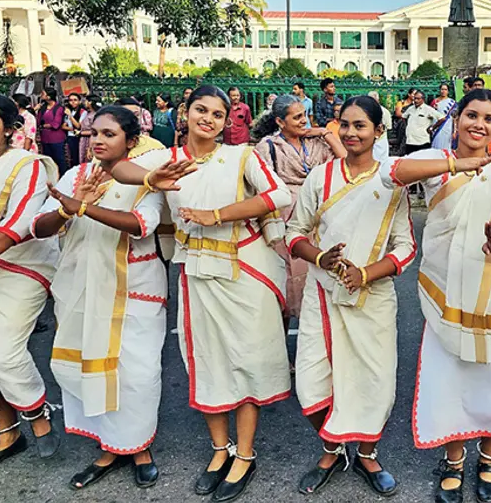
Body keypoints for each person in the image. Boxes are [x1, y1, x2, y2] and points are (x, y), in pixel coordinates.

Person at [106, 86, 293, 502]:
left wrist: (218, 215)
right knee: (206, 360)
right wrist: (152, 178)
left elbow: (280, 194)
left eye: (217, 114)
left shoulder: (239, 156)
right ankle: (218, 451)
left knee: (249, 361)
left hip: (244, 268)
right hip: (195, 270)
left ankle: (244, 454)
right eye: (200, 110)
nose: (208, 118)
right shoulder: (168, 160)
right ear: (185, 113)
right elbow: (119, 169)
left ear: (228, 122)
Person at [381, 89, 491, 503]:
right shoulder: (437, 168)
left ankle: (488, 457)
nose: (479, 124)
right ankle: (453, 460)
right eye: (471, 115)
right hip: (448, 288)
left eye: (489, 118)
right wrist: (459, 163)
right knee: (451, 374)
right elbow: (391, 172)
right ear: (456, 120)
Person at [287, 96, 417, 497]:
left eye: (360, 125)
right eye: (344, 124)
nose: (350, 132)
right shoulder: (321, 177)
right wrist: (321, 257)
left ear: (378, 132)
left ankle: (367, 453)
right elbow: (294, 232)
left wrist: (366, 274)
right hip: (322, 297)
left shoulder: (391, 182)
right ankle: (331, 450)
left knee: (371, 380)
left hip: (373, 299)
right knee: (312, 379)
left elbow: (405, 246)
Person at [32, 106, 168, 490]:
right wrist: (66, 208)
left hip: (136, 288)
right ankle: (109, 447)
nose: (99, 141)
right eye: (94, 133)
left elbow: (143, 225)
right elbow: (40, 228)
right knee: (92, 366)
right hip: (82, 288)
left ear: (131, 141)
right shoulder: (76, 176)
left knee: (138, 373)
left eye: (109, 134)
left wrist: (86, 208)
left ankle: (139, 448)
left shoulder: (145, 181)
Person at [0, 94, 60, 469]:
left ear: (11, 129)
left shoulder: (28, 165)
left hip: (22, 268)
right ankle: (7, 433)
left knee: (2, 350)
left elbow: (19, 225)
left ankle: (38, 415)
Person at [252, 95, 345, 329]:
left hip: (317, 214)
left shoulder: (316, 142)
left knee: (315, 282)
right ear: (280, 122)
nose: (304, 121)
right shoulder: (269, 146)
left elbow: (344, 160)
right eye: (297, 117)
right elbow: (259, 186)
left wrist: (325, 133)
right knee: (283, 283)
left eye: (304, 115)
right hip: (283, 217)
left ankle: (312, 351)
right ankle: (280, 356)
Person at [36, 87, 68, 174]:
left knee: (60, 159)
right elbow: (37, 121)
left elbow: (56, 124)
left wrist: (44, 125)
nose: (41, 95)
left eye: (43, 94)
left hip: (56, 138)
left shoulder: (59, 108)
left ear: (49, 96)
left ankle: (63, 177)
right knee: (48, 159)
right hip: (45, 138)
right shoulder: (43, 107)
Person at [368, 91, 393, 163]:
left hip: (381, 140)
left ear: (378, 100)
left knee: (382, 163)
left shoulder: (385, 112)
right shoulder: (364, 111)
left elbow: (388, 128)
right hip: (368, 140)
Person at [62, 92, 87, 167]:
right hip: (70, 137)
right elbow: (63, 126)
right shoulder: (69, 110)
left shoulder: (83, 112)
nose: (72, 102)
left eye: (75, 100)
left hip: (78, 137)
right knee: (71, 157)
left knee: (78, 157)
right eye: (70, 100)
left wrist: (70, 115)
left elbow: (78, 126)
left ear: (79, 101)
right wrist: (72, 129)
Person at [431, 83, 457, 151]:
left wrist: (454, 131)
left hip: (447, 128)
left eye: (445, 89)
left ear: (448, 91)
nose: (443, 91)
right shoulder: (434, 101)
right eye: (442, 89)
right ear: (439, 90)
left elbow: (455, 117)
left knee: (446, 147)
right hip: (436, 127)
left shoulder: (452, 103)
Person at [78, 95, 103, 162]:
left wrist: (81, 133)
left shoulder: (94, 115)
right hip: (84, 140)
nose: (84, 103)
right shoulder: (88, 113)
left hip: (89, 140)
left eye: (86, 101)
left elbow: (96, 131)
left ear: (90, 102)